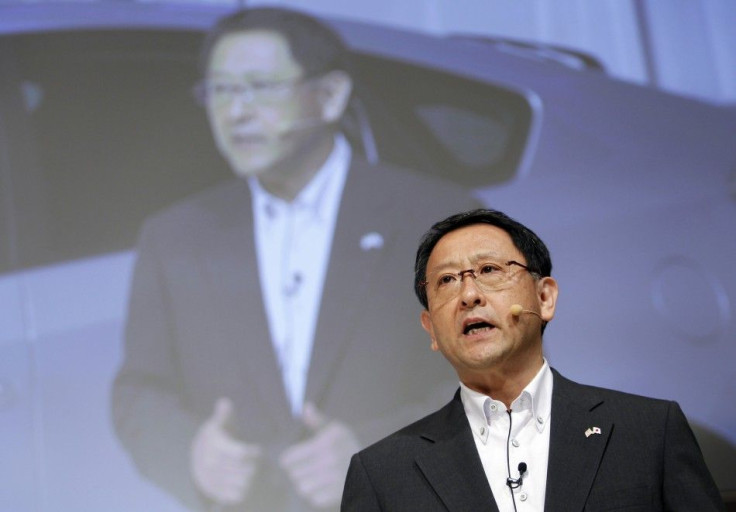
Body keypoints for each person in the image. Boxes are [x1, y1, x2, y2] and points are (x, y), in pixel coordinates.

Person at [111, 7, 479, 512]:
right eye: (219, 90)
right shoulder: (176, 236)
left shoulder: (442, 221)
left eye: (259, 87)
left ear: (330, 96)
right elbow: (139, 393)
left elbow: (503, 386)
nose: (235, 112)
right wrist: (190, 454)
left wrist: (383, 455)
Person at [341, 208, 725, 511]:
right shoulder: (383, 473)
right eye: (446, 281)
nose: (468, 295)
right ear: (431, 330)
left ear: (545, 298)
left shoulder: (648, 432)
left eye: (489, 270)